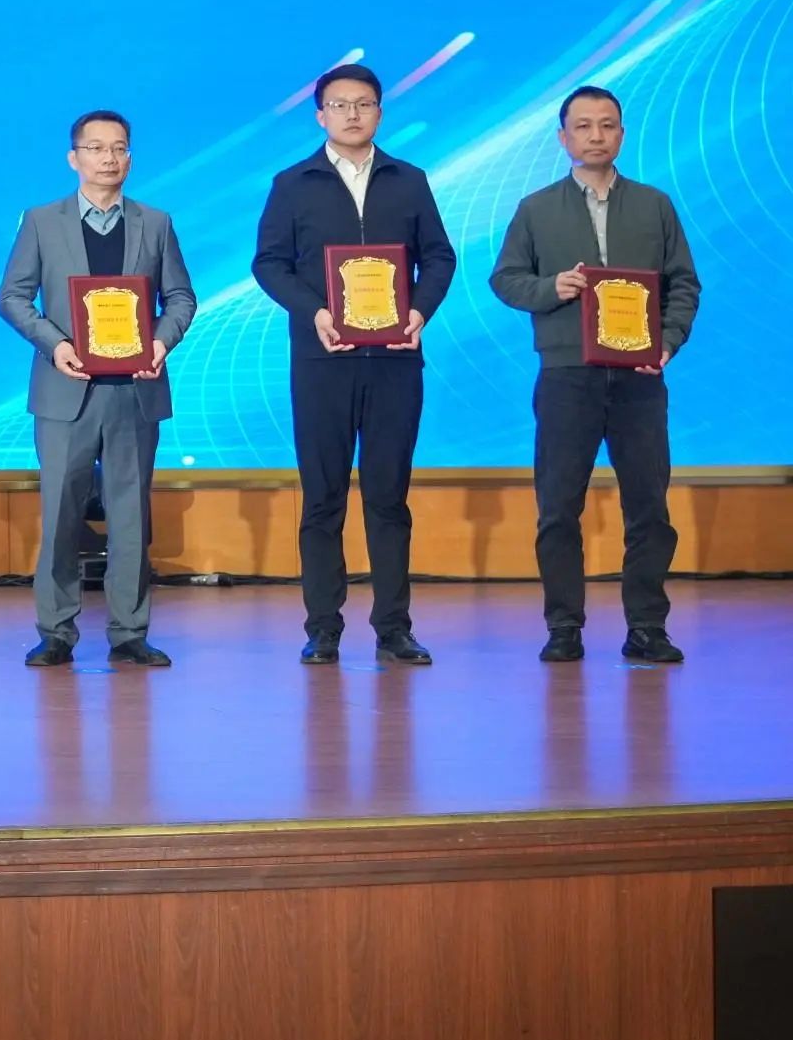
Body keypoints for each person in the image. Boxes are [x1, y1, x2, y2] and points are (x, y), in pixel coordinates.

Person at [250, 62, 457, 666]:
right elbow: (269, 263)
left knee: (389, 498)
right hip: (322, 361)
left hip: (395, 361)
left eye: (363, 104)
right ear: (320, 115)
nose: (352, 114)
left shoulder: (409, 180)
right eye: (339, 105)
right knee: (323, 499)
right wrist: (314, 311)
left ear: (379, 112)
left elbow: (439, 257)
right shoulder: (293, 183)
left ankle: (394, 629)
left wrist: (418, 311)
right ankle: (323, 629)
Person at [488, 85, 701, 664]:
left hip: (640, 376)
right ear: (564, 138)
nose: (596, 136)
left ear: (622, 135)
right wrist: (550, 288)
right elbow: (505, 279)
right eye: (583, 126)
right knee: (559, 508)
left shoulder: (655, 205)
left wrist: (668, 341)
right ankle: (564, 627)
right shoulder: (536, 208)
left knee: (649, 508)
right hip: (566, 375)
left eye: (607, 125)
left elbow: (683, 283)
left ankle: (647, 628)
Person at [0, 110, 197, 669]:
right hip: (65, 391)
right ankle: (56, 631)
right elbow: (12, 297)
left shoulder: (156, 222)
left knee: (131, 516)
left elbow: (181, 297)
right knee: (61, 513)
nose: (109, 157)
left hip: (135, 390)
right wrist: (55, 344)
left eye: (119, 147)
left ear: (129, 157)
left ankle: (130, 631)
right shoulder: (41, 221)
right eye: (97, 147)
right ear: (74, 158)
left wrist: (160, 342)